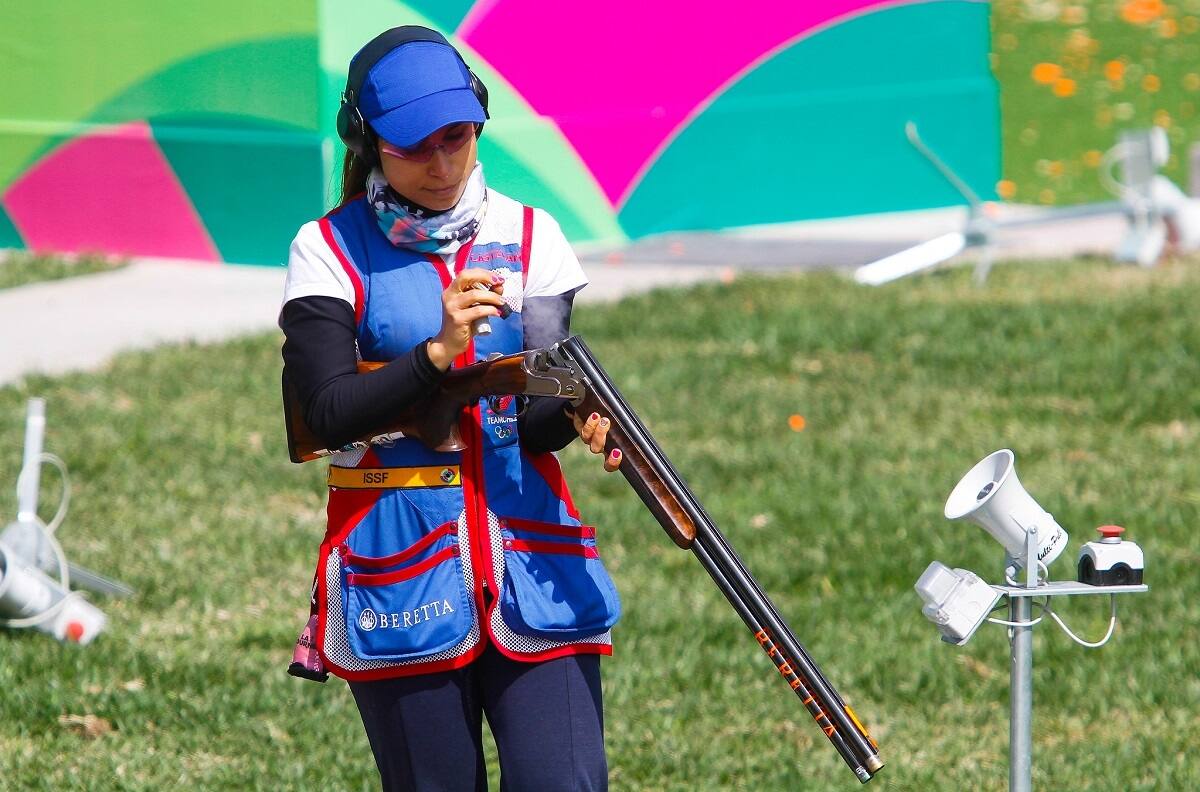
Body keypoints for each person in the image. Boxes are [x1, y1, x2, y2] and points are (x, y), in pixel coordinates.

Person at [279, 25, 622, 792]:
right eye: (414, 147)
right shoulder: (326, 249)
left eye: (457, 138)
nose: (441, 164)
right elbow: (329, 410)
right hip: (398, 573)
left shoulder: (534, 236)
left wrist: (574, 416)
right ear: (367, 143)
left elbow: (532, 412)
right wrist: (435, 357)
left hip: (536, 562)